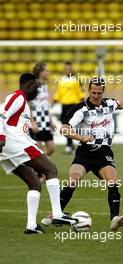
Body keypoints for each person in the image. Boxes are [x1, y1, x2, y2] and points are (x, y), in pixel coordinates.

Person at [41, 77, 123, 231]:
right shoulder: (81, 109)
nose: (95, 96)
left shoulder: (109, 104)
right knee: (73, 180)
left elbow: (120, 104)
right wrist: (81, 137)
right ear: (89, 91)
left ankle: (114, 218)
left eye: (99, 93)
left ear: (103, 92)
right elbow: (64, 128)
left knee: (113, 182)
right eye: (93, 92)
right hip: (85, 154)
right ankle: (55, 214)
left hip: (104, 153)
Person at [0, 73, 78, 234]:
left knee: (34, 183)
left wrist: (31, 141)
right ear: (28, 85)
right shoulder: (17, 97)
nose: (37, 91)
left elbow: (16, 126)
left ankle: (31, 226)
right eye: (36, 87)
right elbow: (1, 115)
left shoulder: (24, 102)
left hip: (11, 146)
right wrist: (1, 136)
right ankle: (57, 214)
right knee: (51, 169)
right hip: (12, 144)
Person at [53, 61, 85, 154]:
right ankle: (69, 144)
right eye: (66, 68)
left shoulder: (76, 79)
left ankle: (76, 144)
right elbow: (59, 93)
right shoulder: (61, 80)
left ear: (71, 69)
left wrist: (83, 101)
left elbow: (80, 93)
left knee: (73, 125)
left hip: (73, 105)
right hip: (64, 105)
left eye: (69, 68)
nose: (68, 70)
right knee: (65, 125)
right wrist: (54, 101)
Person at [30, 62, 55, 157]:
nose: (49, 72)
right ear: (40, 72)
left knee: (51, 148)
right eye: (47, 71)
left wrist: (51, 121)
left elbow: (46, 105)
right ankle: (39, 169)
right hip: (36, 122)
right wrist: (32, 122)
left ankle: (41, 168)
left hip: (46, 122)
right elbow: (28, 105)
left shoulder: (45, 85)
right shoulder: (34, 86)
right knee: (39, 151)